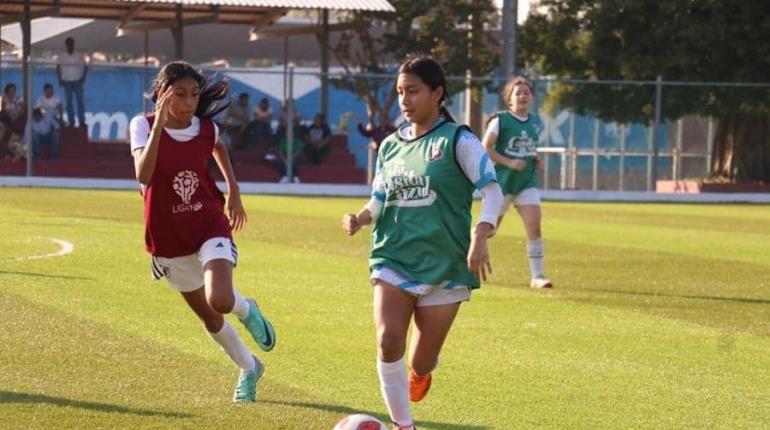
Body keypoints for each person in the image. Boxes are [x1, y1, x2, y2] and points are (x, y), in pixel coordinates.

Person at [341, 54, 503, 430]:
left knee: (421, 361)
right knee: (388, 339)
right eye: (400, 92)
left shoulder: (458, 140)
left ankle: (420, 371)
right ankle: (403, 425)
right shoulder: (390, 146)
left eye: (413, 91)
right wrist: (361, 218)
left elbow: (492, 191)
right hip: (393, 256)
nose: (404, 100)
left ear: (437, 93)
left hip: (446, 264)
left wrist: (480, 234)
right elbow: (379, 197)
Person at [129, 61, 276, 403]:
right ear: (162, 95)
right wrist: (160, 126)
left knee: (221, 300)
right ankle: (249, 368)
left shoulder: (206, 127)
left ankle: (246, 309)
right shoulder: (142, 125)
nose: (189, 102)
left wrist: (234, 190)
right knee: (210, 318)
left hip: (208, 222)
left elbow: (218, 146)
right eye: (180, 95)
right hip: (167, 235)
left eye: (194, 94)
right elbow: (144, 175)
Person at [481, 77, 553, 289]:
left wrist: (535, 159)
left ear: (532, 97)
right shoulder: (500, 121)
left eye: (526, 92)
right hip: (502, 183)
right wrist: (509, 162)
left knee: (534, 225)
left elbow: (528, 148)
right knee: (489, 230)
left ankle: (537, 277)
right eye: (518, 93)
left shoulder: (535, 121)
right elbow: (485, 148)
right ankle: (465, 258)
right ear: (509, 99)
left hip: (526, 182)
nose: (522, 96)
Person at [56, 37, 88, 128]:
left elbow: (86, 66)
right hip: (67, 81)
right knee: (69, 103)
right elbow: (58, 68)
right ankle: (71, 122)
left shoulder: (79, 55)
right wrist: (59, 79)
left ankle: (82, 122)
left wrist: (84, 77)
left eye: (71, 44)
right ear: (66, 45)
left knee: (80, 102)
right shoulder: (62, 56)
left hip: (77, 81)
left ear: (73, 44)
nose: (70, 46)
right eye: (68, 44)